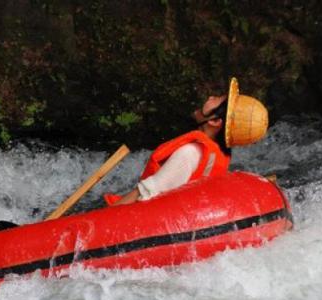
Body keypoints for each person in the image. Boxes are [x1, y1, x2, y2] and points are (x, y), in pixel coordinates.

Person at [106, 77, 268, 206]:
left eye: (217, 99)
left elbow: (144, 194)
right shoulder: (219, 156)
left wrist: (106, 217)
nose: (211, 97)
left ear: (215, 121)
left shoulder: (189, 153)